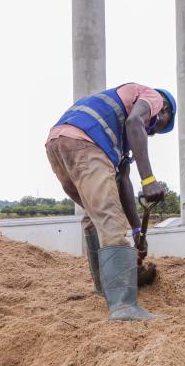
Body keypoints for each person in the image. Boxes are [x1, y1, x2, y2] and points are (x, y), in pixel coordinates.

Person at [46, 83, 176, 321]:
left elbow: (123, 181)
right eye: (157, 127)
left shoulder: (118, 136)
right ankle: (124, 307)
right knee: (110, 220)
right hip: (85, 144)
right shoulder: (154, 97)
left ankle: (105, 288)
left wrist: (137, 231)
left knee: (94, 216)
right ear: (164, 110)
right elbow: (135, 122)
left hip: (58, 143)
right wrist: (149, 180)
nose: (149, 132)